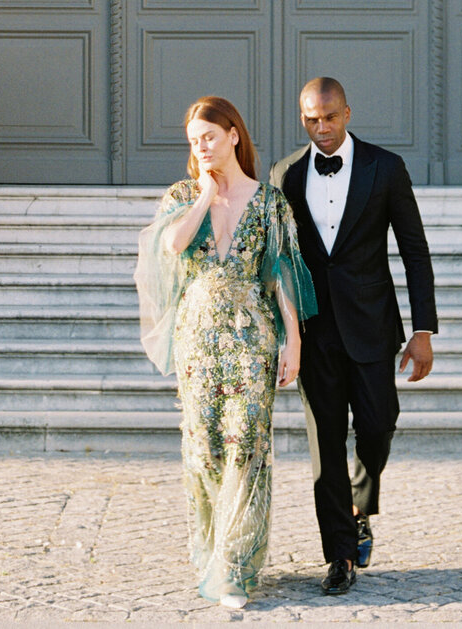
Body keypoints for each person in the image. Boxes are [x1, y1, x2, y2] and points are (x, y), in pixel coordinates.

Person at [135, 96, 317, 608]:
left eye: (209, 137)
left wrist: (293, 342)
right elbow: (171, 247)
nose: (201, 147)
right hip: (198, 340)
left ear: (233, 134)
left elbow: (282, 273)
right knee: (206, 449)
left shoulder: (269, 202)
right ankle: (211, 552)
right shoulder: (182, 193)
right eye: (194, 141)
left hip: (251, 339)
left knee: (247, 447)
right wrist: (204, 198)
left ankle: (235, 569)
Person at [270, 76, 438, 597]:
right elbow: (277, 260)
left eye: (329, 117)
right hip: (315, 331)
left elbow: (414, 249)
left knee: (378, 424)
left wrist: (423, 329)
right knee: (324, 447)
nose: (320, 128)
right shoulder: (285, 174)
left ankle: (361, 504)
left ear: (347, 113)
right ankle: (339, 553)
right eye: (310, 119)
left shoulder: (383, 168)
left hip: (371, 326)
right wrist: (283, 334)